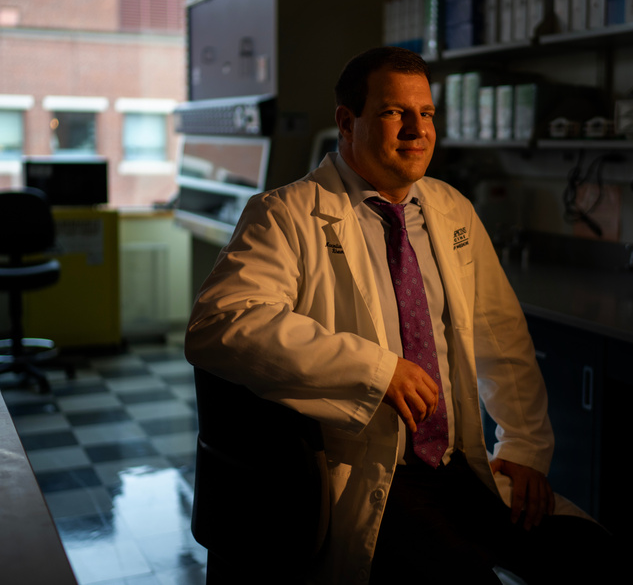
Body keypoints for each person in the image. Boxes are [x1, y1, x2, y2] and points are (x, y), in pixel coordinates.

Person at [185, 47, 610, 584]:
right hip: (372, 474)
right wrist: (376, 371)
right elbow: (220, 324)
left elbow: (500, 335)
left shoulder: (451, 209)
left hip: (458, 464)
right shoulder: (285, 215)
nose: (417, 130)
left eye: (426, 113)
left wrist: (524, 446)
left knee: (592, 554)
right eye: (393, 112)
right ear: (347, 122)